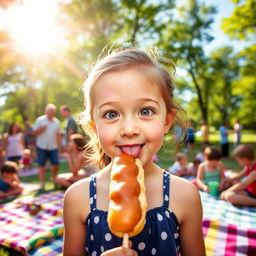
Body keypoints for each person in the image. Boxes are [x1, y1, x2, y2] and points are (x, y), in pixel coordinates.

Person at [63, 48, 205, 256]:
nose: (129, 129)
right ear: (94, 128)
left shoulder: (186, 196)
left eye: (145, 111)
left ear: (167, 121)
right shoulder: (77, 198)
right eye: (111, 113)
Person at [31, 104, 61, 190]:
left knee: (56, 164)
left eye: (52, 111)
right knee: (41, 165)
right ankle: (42, 184)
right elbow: (34, 133)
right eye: (49, 111)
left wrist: (59, 146)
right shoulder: (40, 120)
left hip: (53, 146)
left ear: (54, 112)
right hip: (41, 146)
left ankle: (53, 177)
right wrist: (41, 129)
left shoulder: (57, 122)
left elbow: (58, 134)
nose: (51, 112)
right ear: (46, 111)